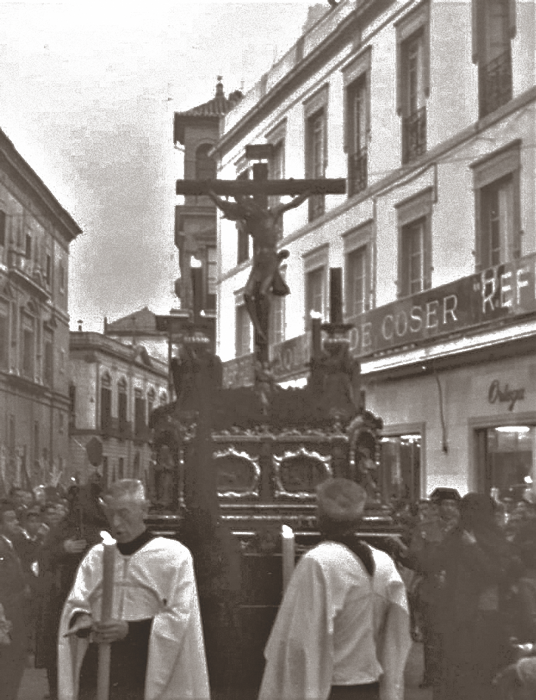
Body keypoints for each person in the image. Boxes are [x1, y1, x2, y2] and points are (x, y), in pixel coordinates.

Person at [258, 478, 411, 700]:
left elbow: (299, 640)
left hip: (332, 686)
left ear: (320, 517)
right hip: (370, 684)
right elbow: (397, 632)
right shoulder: (384, 562)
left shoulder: (318, 562)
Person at [58, 478, 209, 700]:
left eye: (124, 513)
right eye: (110, 515)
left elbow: (180, 618)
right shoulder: (96, 556)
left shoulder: (174, 556)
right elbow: (76, 602)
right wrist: (82, 619)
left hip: (145, 662)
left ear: (144, 510)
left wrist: (129, 630)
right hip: (98, 659)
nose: (116, 523)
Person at [434, 492, 517, 700]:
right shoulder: (460, 534)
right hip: (462, 616)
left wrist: (473, 548)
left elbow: (496, 574)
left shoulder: (485, 537)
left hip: (481, 617)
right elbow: (436, 562)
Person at [207, 189, 310, 340]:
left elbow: (293, 204)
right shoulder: (250, 220)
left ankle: (264, 329)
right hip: (259, 261)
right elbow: (223, 205)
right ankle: (258, 328)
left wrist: (308, 192)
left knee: (262, 293)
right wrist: (210, 192)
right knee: (247, 295)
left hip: (269, 260)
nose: (246, 212)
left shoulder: (271, 214)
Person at [405, 487, 460, 693]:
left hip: (456, 587)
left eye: (453, 505)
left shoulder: (462, 529)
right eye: (445, 504)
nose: (449, 509)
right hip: (431, 586)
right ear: (437, 507)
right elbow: (415, 556)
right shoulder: (425, 529)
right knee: (431, 634)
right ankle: (431, 673)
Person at [0, 499, 30, 700]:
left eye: (16, 518)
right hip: (7, 613)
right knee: (8, 668)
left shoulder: (9, 543)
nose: (16, 522)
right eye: (9, 519)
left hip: (15, 611)